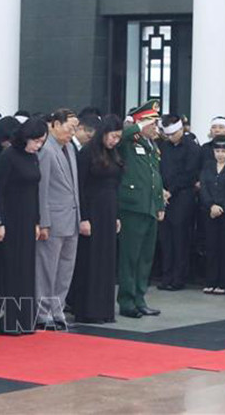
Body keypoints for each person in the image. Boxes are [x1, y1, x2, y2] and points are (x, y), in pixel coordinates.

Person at [0, 117, 47, 335]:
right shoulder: (8, 156)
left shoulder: (33, 157)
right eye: (36, 141)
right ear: (26, 137)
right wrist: (0, 221)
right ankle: (7, 320)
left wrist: (37, 220)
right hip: (11, 218)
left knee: (26, 269)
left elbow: (35, 191)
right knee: (10, 269)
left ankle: (24, 319)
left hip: (28, 218)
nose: (38, 146)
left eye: (42, 142)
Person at [72, 115, 124, 324]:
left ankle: (104, 309)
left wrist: (117, 215)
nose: (115, 141)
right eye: (113, 136)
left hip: (109, 210)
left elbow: (115, 186)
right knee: (90, 260)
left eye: (118, 137)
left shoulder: (114, 154)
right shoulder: (87, 152)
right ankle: (87, 309)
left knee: (106, 260)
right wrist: (83, 218)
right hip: (92, 210)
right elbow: (80, 186)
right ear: (103, 133)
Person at [117, 100, 164, 319]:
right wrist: (136, 126)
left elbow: (156, 177)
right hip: (133, 207)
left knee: (145, 258)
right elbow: (119, 137)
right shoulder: (129, 141)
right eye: (152, 123)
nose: (156, 128)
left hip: (149, 207)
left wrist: (159, 204)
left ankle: (139, 298)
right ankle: (127, 301)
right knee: (130, 257)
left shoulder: (151, 145)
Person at [35, 109, 80, 330]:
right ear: (55, 125)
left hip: (71, 217)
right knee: (47, 269)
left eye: (75, 129)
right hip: (53, 219)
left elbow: (74, 186)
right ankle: (42, 312)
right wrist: (43, 222)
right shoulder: (46, 149)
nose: (73, 133)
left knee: (65, 270)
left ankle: (57, 309)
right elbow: (42, 189)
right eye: (70, 128)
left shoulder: (70, 147)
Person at [157, 114, 201, 291]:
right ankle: (166, 276)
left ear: (181, 129)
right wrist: (162, 189)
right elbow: (159, 169)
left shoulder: (192, 148)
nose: (170, 138)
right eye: (167, 135)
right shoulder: (164, 147)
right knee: (166, 239)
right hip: (164, 197)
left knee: (180, 239)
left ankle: (178, 278)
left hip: (183, 197)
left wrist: (171, 190)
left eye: (173, 134)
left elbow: (190, 174)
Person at [199, 135, 225, 294]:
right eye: (217, 151)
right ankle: (211, 281)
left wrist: (222, 207)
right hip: (210, 212)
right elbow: (203, 187)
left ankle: (224, 283)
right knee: (211, 247)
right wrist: (211, 205)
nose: (220, 154)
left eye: (224, 151)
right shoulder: (208, 166)